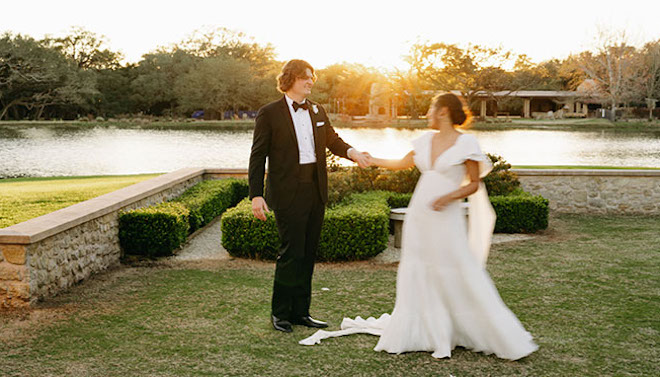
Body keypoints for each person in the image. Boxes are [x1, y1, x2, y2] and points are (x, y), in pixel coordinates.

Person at [300, 93, 538, 360]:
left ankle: (466, 328)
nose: (427, 114)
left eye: (431, 109)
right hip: (419, 215)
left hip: (446, 216)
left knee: (455, 268)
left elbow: (473, 184)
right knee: (418, 269)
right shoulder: (424, 141)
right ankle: (423, 329)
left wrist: (448, 197)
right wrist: (368, 158)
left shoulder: (466, 143)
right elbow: (401, 164)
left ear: (444, 112)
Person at [249, 59, 370, 333]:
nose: (311, 82)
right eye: (306, 77)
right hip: (287, 193)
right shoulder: (269, 113)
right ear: (290, 79)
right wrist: (256, 194)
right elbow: (257, 157)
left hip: (316, 191)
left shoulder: (318, 110)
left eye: (312, 77)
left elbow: (333, 140)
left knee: (307, 254)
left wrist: (354, 153)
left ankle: (301, 312)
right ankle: (280, 314)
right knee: (291, 253)